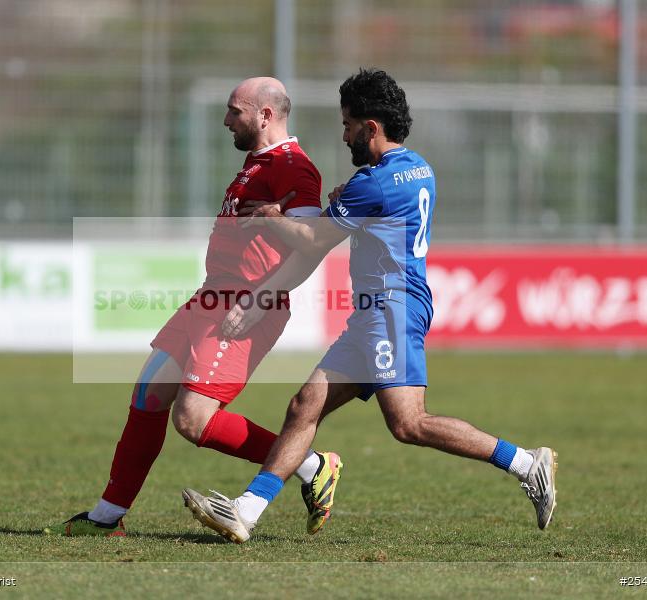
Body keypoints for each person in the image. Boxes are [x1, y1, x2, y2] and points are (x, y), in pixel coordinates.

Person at [182, 69, 557, 543]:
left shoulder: (374, 184)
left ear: (371, 127)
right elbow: (367, 216)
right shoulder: (418, 167)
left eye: (348, 125)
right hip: (374, 312)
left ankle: (527, 464)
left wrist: (273, 216)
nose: (344, 135)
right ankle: (246, 512)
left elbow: (315, 237)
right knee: (304, 406)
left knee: (408, 423)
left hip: (391, 310)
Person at [47, 77, 344, 537]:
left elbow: (311, 248)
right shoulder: (256, 164)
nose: (227, 120)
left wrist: (260, 300)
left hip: (244, 304)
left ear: (265, 115)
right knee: (148, 393)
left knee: (193, 419)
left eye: (235, 111)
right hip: (210, 297)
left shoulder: (293, 167)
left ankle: (309, 464)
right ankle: (108, 517)